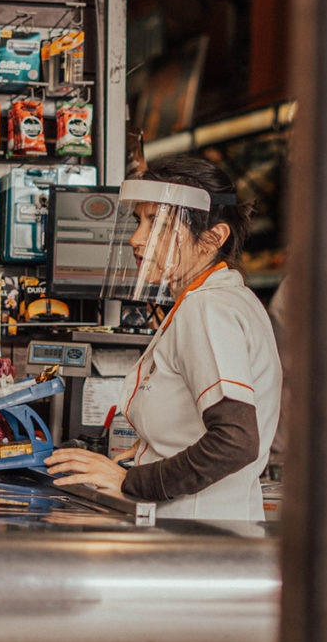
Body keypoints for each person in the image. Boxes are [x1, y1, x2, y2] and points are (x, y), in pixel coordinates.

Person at [44, 156, 283, 520]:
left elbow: (235, 441)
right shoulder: (226, 299)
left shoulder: (208, 308)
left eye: (157, 223)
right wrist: (154, 453)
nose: (137, 239)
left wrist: (132, 479)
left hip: (195, 535)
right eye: (139, 221)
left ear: (213, 238)